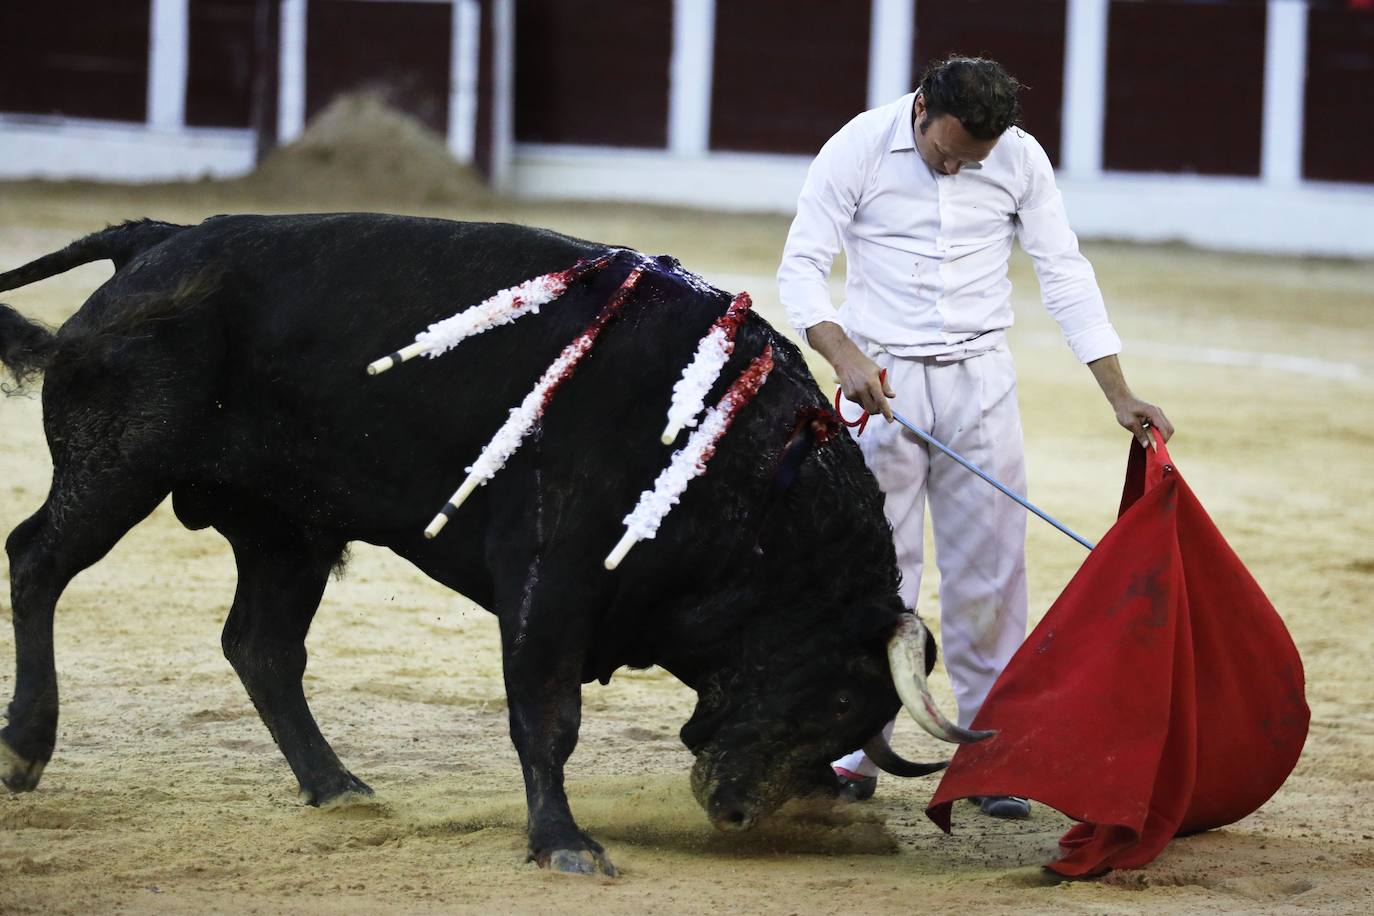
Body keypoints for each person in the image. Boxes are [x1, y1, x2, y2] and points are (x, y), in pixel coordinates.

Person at [777, 56, 1173, 818]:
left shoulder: (1018, 157)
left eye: (972, 160)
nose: (956, 168)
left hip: (980, 383)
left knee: (992, 572)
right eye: (945, 152)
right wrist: (845, 352)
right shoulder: (857, 148)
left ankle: (991, 751)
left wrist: (1118, 392)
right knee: (874, 569)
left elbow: (1064, 271)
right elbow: (801, 270)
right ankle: (857, 741)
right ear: (920, 108)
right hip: (880, 382)